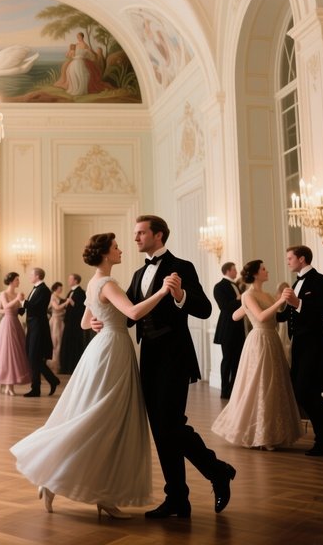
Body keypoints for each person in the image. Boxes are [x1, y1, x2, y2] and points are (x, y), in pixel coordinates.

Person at [11, 233, 174, 519]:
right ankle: (62, 481)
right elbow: (133, 313)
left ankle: (97, 492)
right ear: (106, 254)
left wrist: (100, 322)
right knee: (105, 420)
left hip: (104, 348)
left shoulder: (94, 282)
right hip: (113, 350)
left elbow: (86, 322)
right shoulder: (108, 283)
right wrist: (161, 292)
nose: (121, 250)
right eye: (116, 247)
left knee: (107, 420)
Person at [125, 214, 235, 518]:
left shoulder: (182, 267)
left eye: (141, 232)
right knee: (160, 428)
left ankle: (217, 471)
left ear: (158, 235)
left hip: (174, 355)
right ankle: (177, 498)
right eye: (135, 233)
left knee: (171, 423)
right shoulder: (138, 273)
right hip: (148, 356)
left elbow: (205, 309)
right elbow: (129, 314)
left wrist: (180, 295)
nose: (135, 238)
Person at [211, 260, 302, 449]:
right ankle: (261, 435)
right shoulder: (248, 294)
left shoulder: (265, 295)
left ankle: (273, 433)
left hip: (272, 340)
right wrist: (279, 301)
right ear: (255, 274)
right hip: (259, 341)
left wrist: (288, 303)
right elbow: (260, 317)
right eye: (263, 269)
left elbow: (239, 316)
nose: (267, 271)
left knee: (274, 385)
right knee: (261, 383)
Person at [278, 245, 323, 456]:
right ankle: (322, 442)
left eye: (290, 258)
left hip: (315, 346)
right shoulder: (295, 283)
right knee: (307, 393)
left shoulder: (321, 281)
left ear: (302, 259)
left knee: (304, 392)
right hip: (299, 347)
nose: (287, 261)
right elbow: (286, 315)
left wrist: (299, 303)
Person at [0, 271, 30, 395]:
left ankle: (9, 386)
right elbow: (3, 307)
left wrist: (22, 302)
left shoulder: (17, 294)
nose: (19, 282)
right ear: (11, 281)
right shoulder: (3, 293)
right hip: (7, 324)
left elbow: (19, 310)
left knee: (16, 354)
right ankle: (7, 386)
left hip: (16, 323)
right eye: (17, 279)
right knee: (7, 353)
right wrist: (16, 301)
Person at [21, 267, 60, 397]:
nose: (29, 277)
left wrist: (23, 302)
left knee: (34, 357)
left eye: (31, 274)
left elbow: (37, 307)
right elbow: (31, 307)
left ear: (37, 276)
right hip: (32, 326)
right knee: (33, 357)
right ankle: (51, 381)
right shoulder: (36, 289)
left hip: (38, 326)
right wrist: (19, 308)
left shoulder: (44, 290)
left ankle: (37, 388)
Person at [213, 261, 246, 399]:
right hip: (227, 329)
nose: (236, 271)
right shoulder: (219, 287)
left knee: (237, 360)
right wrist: (239, 299)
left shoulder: (237, 285)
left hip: (239, 328)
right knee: (227, 360)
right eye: (234, 269)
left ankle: (234, 390)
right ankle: (225, 390)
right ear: (227, 271)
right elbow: (224, 307)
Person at [59, 273, 89, 374]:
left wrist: (73, 303)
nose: (68, 281)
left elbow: (83, 308)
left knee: (75, 345)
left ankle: (73, 367)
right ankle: (66, 367)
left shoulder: (81, 292)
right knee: (67, 344)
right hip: (69, 323)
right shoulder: (70, 292)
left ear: (76, 280)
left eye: (70, 279)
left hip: (75, 325)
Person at [48, 281, 69, 370]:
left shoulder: (59, 297)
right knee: (55, 341)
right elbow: (56, 307)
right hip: (56, 321)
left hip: (61, 320)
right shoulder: (52, 297)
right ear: (55, 289)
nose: (61, 290)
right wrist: (66, 302)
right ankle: (54, 363)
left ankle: (60, 362)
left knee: (60, 341)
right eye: (60, 288)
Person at [275, 281, 293, 364]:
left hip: (285, 332)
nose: (276, 295)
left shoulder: (285, 304)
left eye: (278, 292)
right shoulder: (281, 305)